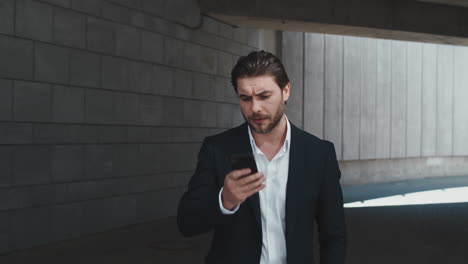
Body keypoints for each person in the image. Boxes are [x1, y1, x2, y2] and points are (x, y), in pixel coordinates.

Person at [177, 50, 346, 264]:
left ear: (285, 91)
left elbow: (334, 234)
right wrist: (224, 200)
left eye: (264, 96)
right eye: (245, 98)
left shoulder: (318, 154)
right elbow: (186, 222)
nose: (255, 108)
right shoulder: (218, 149)